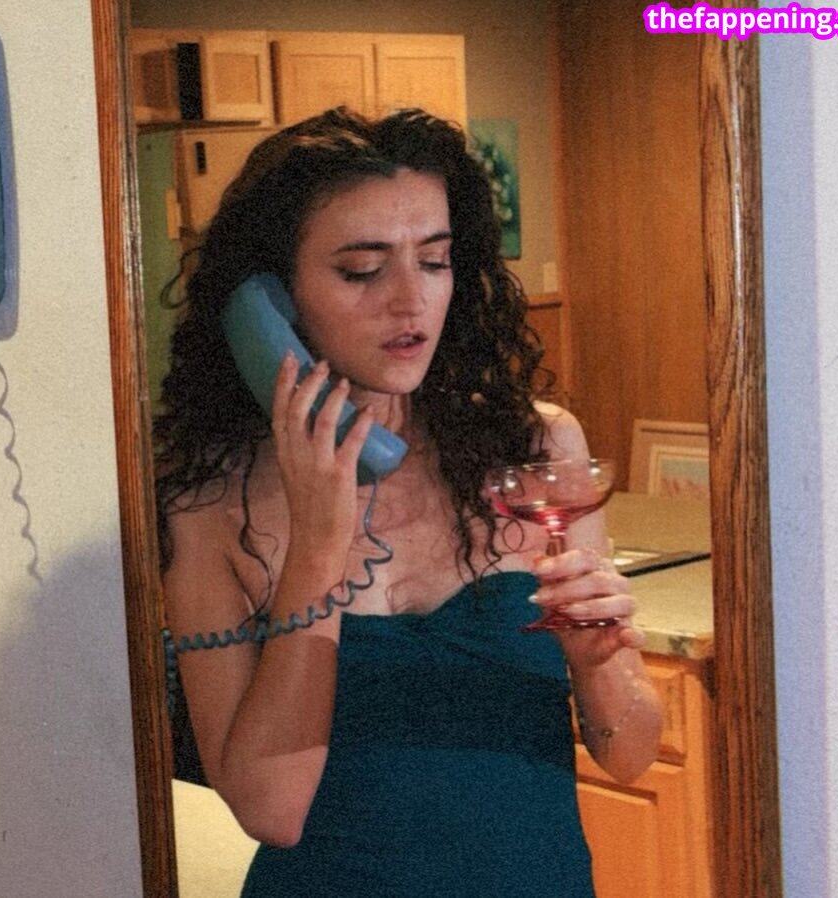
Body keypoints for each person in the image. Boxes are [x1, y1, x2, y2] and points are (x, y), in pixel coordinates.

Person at [155, 107, 664, 897]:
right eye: (361, 270)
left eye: (433, 261)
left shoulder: (535, 452)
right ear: (270, 301)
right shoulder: (210, 505)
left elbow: (628, 753)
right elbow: (270, 810)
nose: (410, 300)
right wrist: (318, 545)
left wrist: (596, 663)